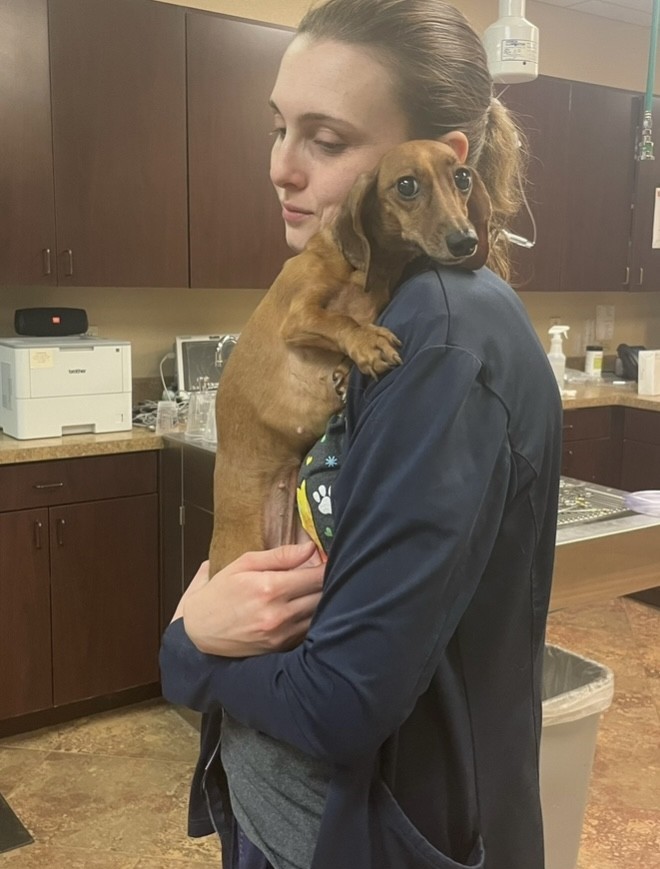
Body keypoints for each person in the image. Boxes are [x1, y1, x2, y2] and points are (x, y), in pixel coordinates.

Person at [159, 1, 562, 867]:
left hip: (355, 837)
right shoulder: (387, 304)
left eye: (328, 141)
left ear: (448, 159)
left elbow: (345, 701)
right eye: (279, 129)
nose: (281, 168)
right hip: (292, 812)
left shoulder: (442, 339)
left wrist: (189, 644)